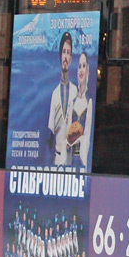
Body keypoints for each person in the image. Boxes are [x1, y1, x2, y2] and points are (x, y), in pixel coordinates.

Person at [47, 31, 76, 167]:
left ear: (71, 58)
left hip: (72, 160)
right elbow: (50, 132)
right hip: (57, 159)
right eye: (63, 52)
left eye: (68, 52)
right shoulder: (54, 94)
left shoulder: (76, 92)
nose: (65, 56)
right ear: (60, 56)